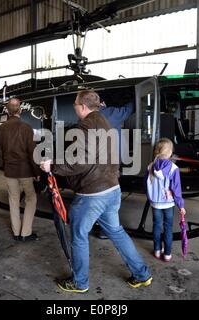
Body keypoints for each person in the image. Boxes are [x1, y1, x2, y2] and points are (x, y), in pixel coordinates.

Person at [41, 90, 152, 293]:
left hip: (93, 194)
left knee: (79, 235)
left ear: (83, 106)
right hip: (112, 188)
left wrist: (53, 166)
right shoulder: (105, 121)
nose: (74, 106)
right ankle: (142, 274)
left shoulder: (85, 126)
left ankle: (80, 282)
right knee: (117, 232)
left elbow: (81, 160)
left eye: (75, 103)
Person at [0, 98, 41, 242]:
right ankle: (25, 233)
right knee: (31, 199)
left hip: (10, 172)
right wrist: (36, 172)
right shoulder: (26, 127)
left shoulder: (1, 129)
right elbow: (32, 152)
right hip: (25, 171)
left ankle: (16, 232)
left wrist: (5, 165)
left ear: (7, 111)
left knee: (13, 201)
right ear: (20, 110)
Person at [97, 100, 135, 239]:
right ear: (101, 102)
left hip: (96, 164)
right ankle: (106, 230)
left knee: (100, 194)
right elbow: (129, 108)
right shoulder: (109, 113)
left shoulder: (88, 117)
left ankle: (100, 225)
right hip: (109, 164)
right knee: (110, 198)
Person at [145, 138, 186, 262]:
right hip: (168, 204)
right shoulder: (174, 168)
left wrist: (150, 198)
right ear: (170, 153)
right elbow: (177, 190)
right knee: (168, 227)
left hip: (155, 203)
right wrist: (181, 205)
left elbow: (146, 186)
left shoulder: (150, 167)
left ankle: (157, 251)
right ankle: (167, 254)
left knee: (157, 226)